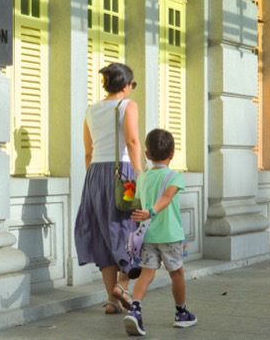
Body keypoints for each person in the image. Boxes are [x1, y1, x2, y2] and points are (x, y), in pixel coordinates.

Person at [74, 63, 143, 314]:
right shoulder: (127, 105)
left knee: (104, 233)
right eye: (131, 85)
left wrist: (94, 180)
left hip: (95, 175)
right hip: (122, 174)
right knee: (131, 230)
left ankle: (112, 301)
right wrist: (140, 176)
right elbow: (133, 141)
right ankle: (122, 287)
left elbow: (88, 152)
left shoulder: (91, 110)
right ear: (125, 86)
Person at [123, 129, 197, 336]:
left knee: (147, 274)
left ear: (147, 154)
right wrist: (152, 211)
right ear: (172, 153)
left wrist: (145, 211)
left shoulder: (144, 178)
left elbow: (138, 199)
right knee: (177, 273)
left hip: (148, 236)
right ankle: (181, 313)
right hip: (170, 235)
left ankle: (135, 310)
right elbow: (167, 196)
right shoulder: (174, 177)